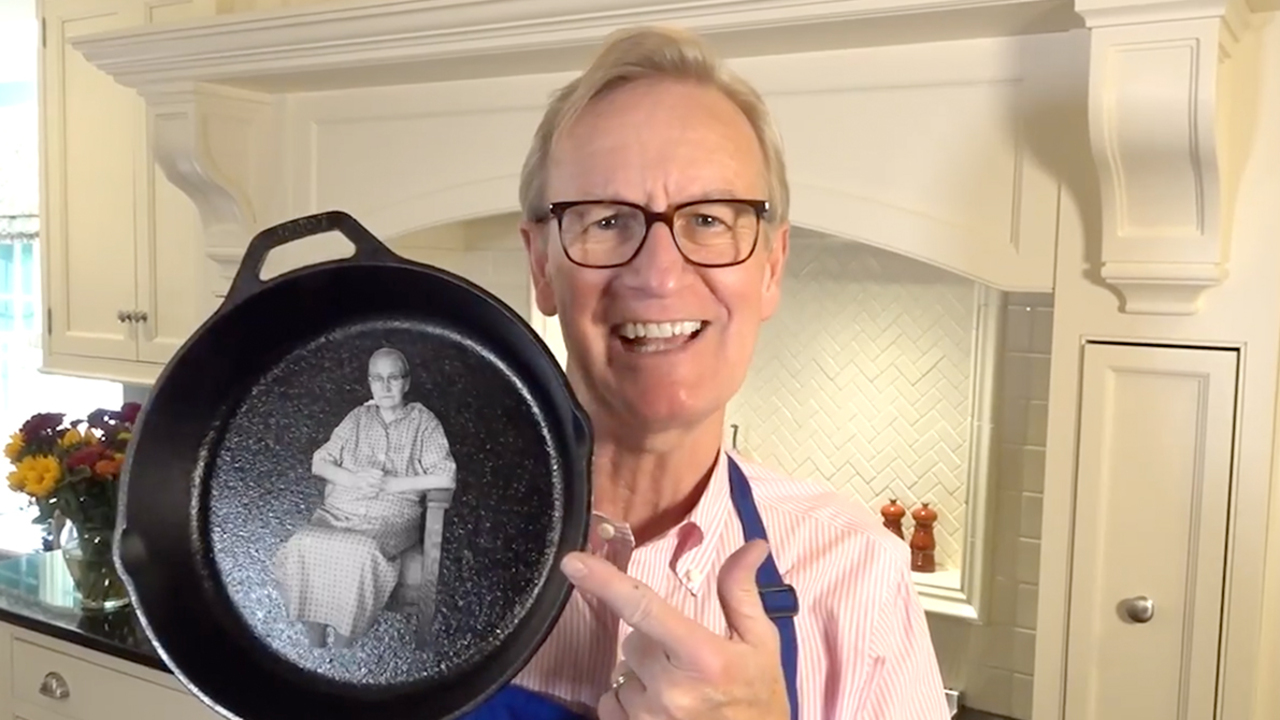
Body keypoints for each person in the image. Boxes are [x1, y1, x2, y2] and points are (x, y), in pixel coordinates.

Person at [461, 24, 951, 720]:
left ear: (772, 266)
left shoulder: (856, 575)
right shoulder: (412, 540)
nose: (659, 276)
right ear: (542, 265)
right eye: (606, 221)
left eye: (711, 220)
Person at [272, 346, 458, 649]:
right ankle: (315, 642)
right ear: (370, 382)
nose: (385, 387)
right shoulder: (358, 417)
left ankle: (344, 646)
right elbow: (320, 461)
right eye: (377, 379)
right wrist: (354, 479)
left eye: (393, 378)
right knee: (300, 545)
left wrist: (391, 484)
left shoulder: (423, 422)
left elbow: (446, 475)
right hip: (340, 509)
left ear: (406, 382)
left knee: (361, 551)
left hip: (391, 515)